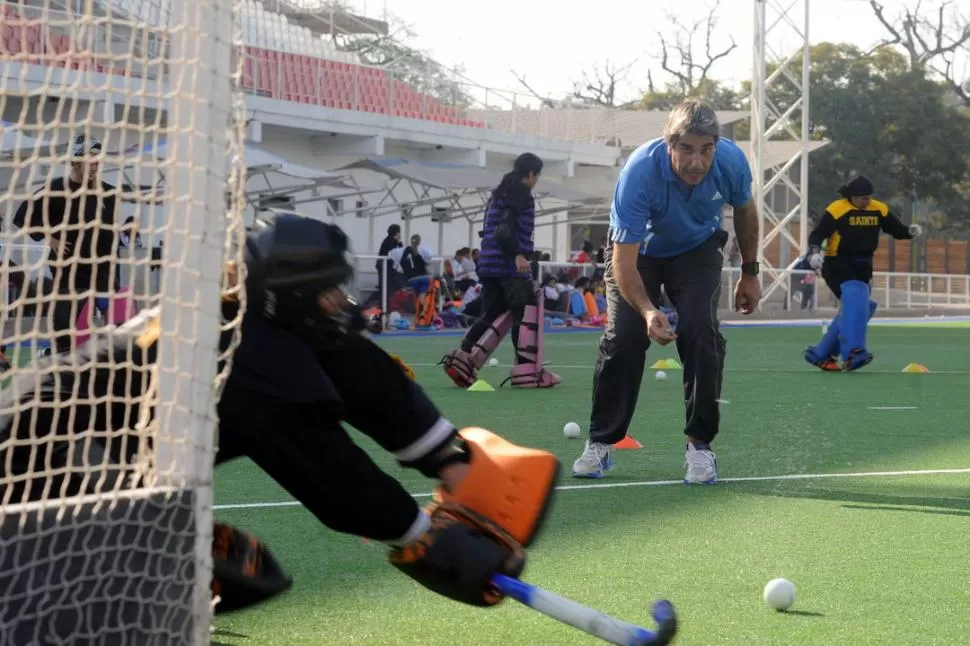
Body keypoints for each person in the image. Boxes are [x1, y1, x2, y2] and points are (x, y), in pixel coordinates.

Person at [0, 212, 561, 636]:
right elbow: (328, 474)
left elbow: (359, 371)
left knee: (223, 569)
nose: (341, 301)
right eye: (328, 290)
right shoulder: (248, 360)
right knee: (211, 575)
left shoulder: (261, 321)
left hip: (94, 468)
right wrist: (422, 536)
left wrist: (450, 460)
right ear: (290, 297)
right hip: (36, 486)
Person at [571, 99, 762, 484]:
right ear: (669, 144)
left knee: (700, 332)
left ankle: (700, 447)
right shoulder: (640, 173)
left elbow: (745, 211)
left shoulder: (731, 162)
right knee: (624, 337)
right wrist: (646, 311)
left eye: (706, 150)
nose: (697, 162)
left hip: (697, 249)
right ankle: (600, 442)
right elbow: (624, 260)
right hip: (638, 253)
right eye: (687, 150)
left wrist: (750, 272)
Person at [440, 153, 561, 389]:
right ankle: (527, 370)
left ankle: (463, 358)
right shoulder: (520, 194)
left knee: (492, 312)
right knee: (524, 312)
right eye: (537, 175)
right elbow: (504, 230)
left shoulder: (499, 193)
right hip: (508, 264)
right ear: (531, 174)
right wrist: (518, 255)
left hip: (489, 264)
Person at [12, 134, 119, 355]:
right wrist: (49, 236)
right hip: (68, 272)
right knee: (68, 333)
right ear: (76, 161)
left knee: (116, 327)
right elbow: (23, 216)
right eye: (90, 161)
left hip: (102, 272)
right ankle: (58, 356)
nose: (95, 166)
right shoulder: (56, 189)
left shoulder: (107, 193)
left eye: (98, 161)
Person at [802, 176, 922, 371]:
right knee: (856, 295)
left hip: (863, 265)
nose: (867, 202)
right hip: (837, 263)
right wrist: (814, 252)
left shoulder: (878, 209)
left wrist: (910, 231)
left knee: (863, 306)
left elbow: (896, 229)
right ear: (851, 197)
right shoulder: (837, 209)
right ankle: (854, 352)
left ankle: (821, 354)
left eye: (869, 197)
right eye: (863, 198)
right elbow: (817, 234)